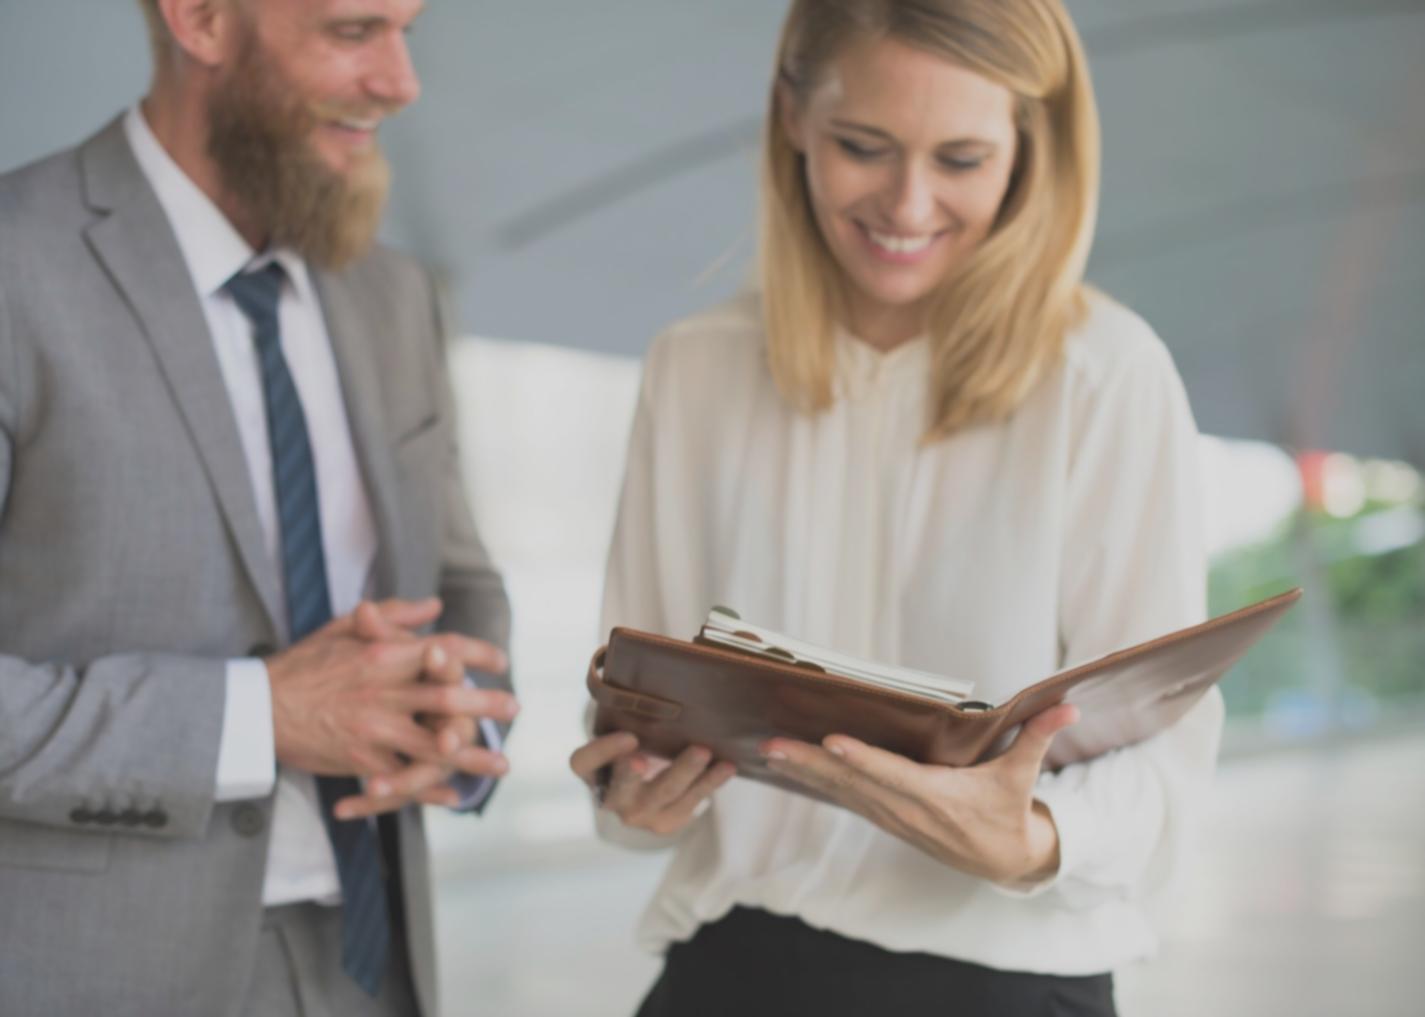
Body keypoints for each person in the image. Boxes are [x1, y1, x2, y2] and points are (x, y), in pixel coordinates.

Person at [570, 1, 1223, 1014]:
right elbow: (640, 690)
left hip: (1005, 979)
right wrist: (630, 791)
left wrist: (1034, 836)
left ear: (1030, 149)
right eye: (862, 146)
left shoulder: (1106, 377)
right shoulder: (694, 369)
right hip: (730, 966)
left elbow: (1168, 763)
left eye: (961, 160)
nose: (908, 204)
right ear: (792, 114)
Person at [0, 2, 517, 1015]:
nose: (401, 81)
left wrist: (455, 731)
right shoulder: (13, 272)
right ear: (198, 19)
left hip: (373, 965)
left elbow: (458, 578)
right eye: (353, 30)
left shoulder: (395, 292)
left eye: (408, 30)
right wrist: (263, 718)